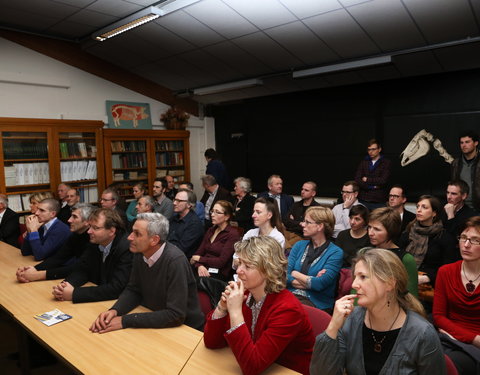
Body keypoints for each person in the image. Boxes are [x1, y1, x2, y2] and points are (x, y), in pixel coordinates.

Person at [310, 248, 446, 375]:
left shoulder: (422, 333)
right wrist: (333, 326)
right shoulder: (352, 319)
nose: (353, 285)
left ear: (389, 284)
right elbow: (321, 372)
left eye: (363, 277)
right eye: (355, 277)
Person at [204, 236, 315, 375]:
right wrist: (222, 308)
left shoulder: (288, 310)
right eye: (239, 263)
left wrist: (235, 312)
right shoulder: (245, 294)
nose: (238, 271)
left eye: (248, 266)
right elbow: (212, 342)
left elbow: (252, 367)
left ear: (268, 270)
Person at [90, 213, 204, 333]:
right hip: (156, 319)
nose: (129, 237)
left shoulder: (175, 261)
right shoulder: (141, 252)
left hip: (187, 330)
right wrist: (115, 311)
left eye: (137, 234)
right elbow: (134, 290)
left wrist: (125, 320)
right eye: (132, 231)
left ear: (154, 240)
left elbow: (175, 314)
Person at [52, 208, 132, 303]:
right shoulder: (95, 242)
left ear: (111, 231)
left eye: (95, 228)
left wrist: (74, 293)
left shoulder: (127, 248)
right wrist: (65, 286)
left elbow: (116, 288)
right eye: (90, 226)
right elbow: (82, 270)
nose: (89, 231)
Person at [433, 217, 480, 375]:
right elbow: (439, 317)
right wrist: (473, 338)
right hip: (449, 338)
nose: (466, 245)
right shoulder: (445, 271)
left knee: (446, 364)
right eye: (463, 238)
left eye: (475, 240)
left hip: (473, 348)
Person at [16, 204, 93, 282]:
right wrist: (33, 269)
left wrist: (38, 275)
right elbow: (58, 258)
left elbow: (79, 267)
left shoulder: (93, 239)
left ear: (87, 222)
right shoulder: (75, 235)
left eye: (75, 217)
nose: (69, 220)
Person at [287, 206, 343, 312]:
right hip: (291, 297)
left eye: (307, 222)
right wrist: (310, 281)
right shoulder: (299, 245)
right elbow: (283, 276)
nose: (302, 224)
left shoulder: (335, 252)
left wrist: (295, 273)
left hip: (317, 304)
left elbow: (320, 284)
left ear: (320, 226)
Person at [399, 195, 457, 287]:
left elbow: (449, 267)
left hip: (431, 285)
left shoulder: (444, 237)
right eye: (418, 206)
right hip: (405, 280)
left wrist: (429, 277)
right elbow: (399, 257)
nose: (419, 210)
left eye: (424, 207)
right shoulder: (409, 231)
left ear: (434, 213)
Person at [368, 207, 418, 297]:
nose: (370, 233)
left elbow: (412, 298)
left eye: (377, 229)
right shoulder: (365, 253)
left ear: (390, 231)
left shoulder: (405, 259)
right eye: (369, 227)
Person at [190, 200, 241, 281]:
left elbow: (221, 262)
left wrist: (200, 259)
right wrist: (200, 265)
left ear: (226, 217)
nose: (212, 215)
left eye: (217, 212)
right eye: (212, 211)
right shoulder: (211, 230)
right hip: (202, 268)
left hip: (219, 273)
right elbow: (198, 253)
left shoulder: (232, 234)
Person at [355, 138, 391, 210]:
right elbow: (357, 179)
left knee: (378, 220)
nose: (370, 152)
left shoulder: (386, 163)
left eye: (373, 149)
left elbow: (383, 180)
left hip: (379, 200)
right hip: (363, 199)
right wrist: (371, 187)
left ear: (379, 149)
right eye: (369, 149)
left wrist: (367, 179)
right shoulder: (364, 162)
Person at [168, 189, 204, 257]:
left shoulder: (194, 224)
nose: (174, 203)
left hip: (182, 261)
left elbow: (180, 249)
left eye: (179, 201)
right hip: (169, 255)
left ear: (189, 205)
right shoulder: (174, 217)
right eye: (174, 200)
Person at [451, 130, 479, 211]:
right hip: (461, 207)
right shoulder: (455, 163)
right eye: (461, 143)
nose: (464, 145)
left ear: (476, 143)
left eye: (467, 142)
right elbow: (454, 185)